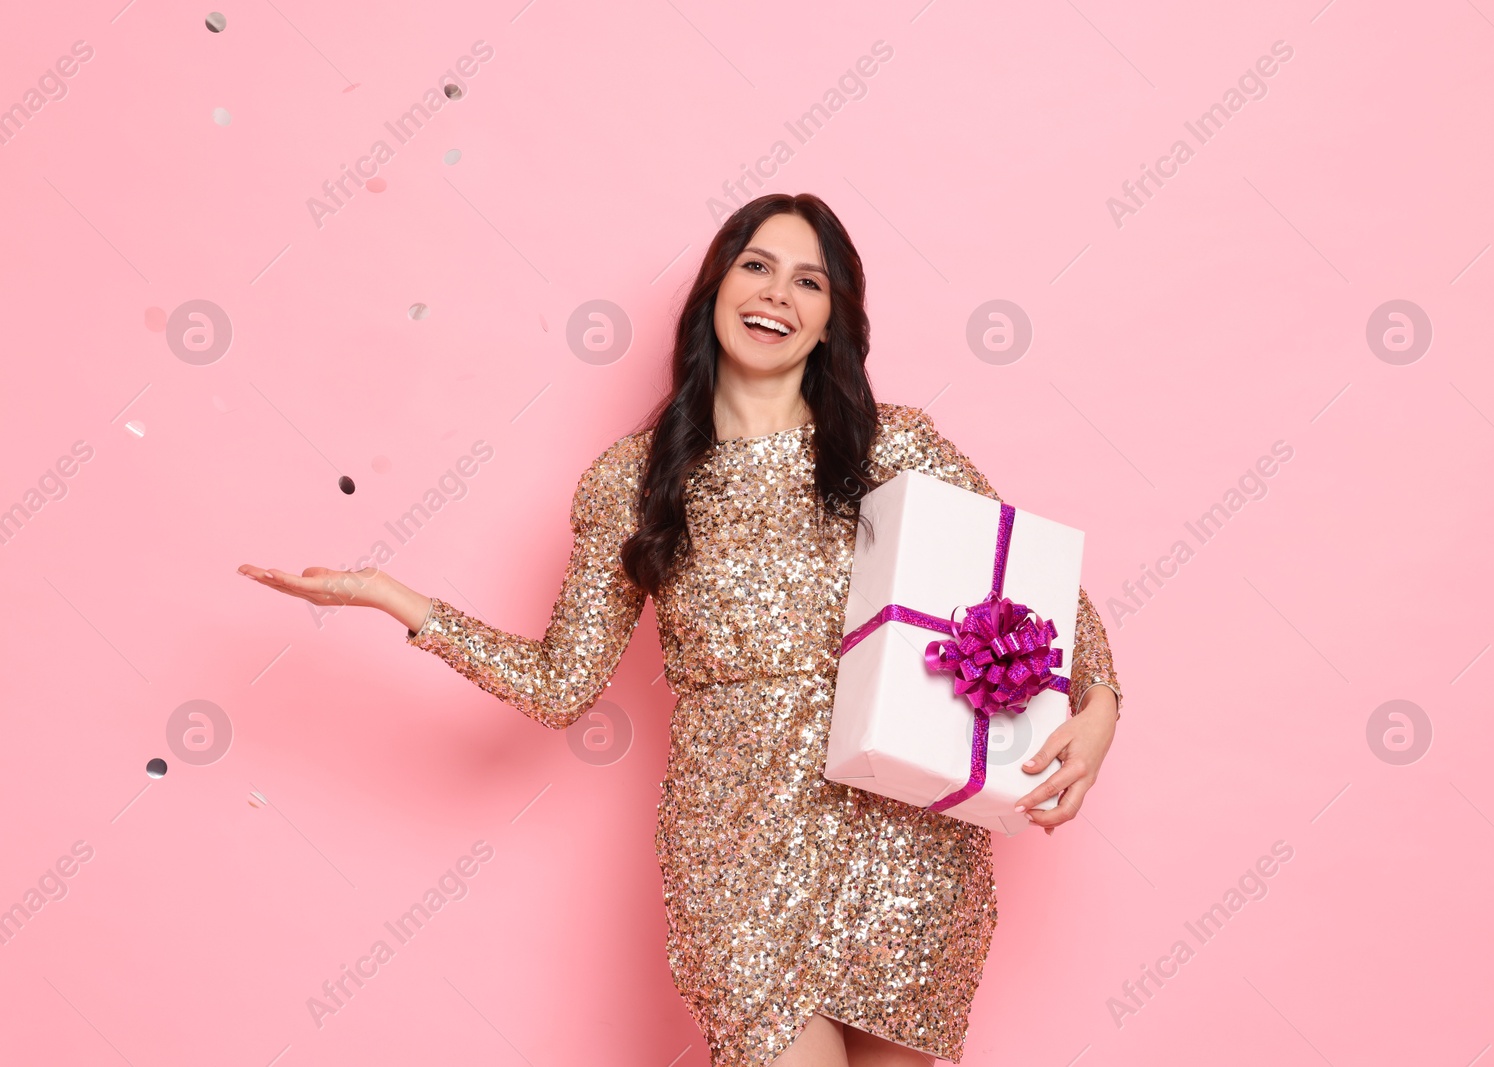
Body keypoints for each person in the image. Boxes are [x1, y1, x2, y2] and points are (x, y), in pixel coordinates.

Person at [238, 192, 1122, 1067]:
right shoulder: (630, 479)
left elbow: (1037, 594)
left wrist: (1100, 705)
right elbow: (560, 684)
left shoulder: (895, 447)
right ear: (714, 291)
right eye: (757, 267)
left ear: (831, 323)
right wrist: (400, 601)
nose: (778, 294)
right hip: (729, 848)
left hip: (904, 848)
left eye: (809, 282)